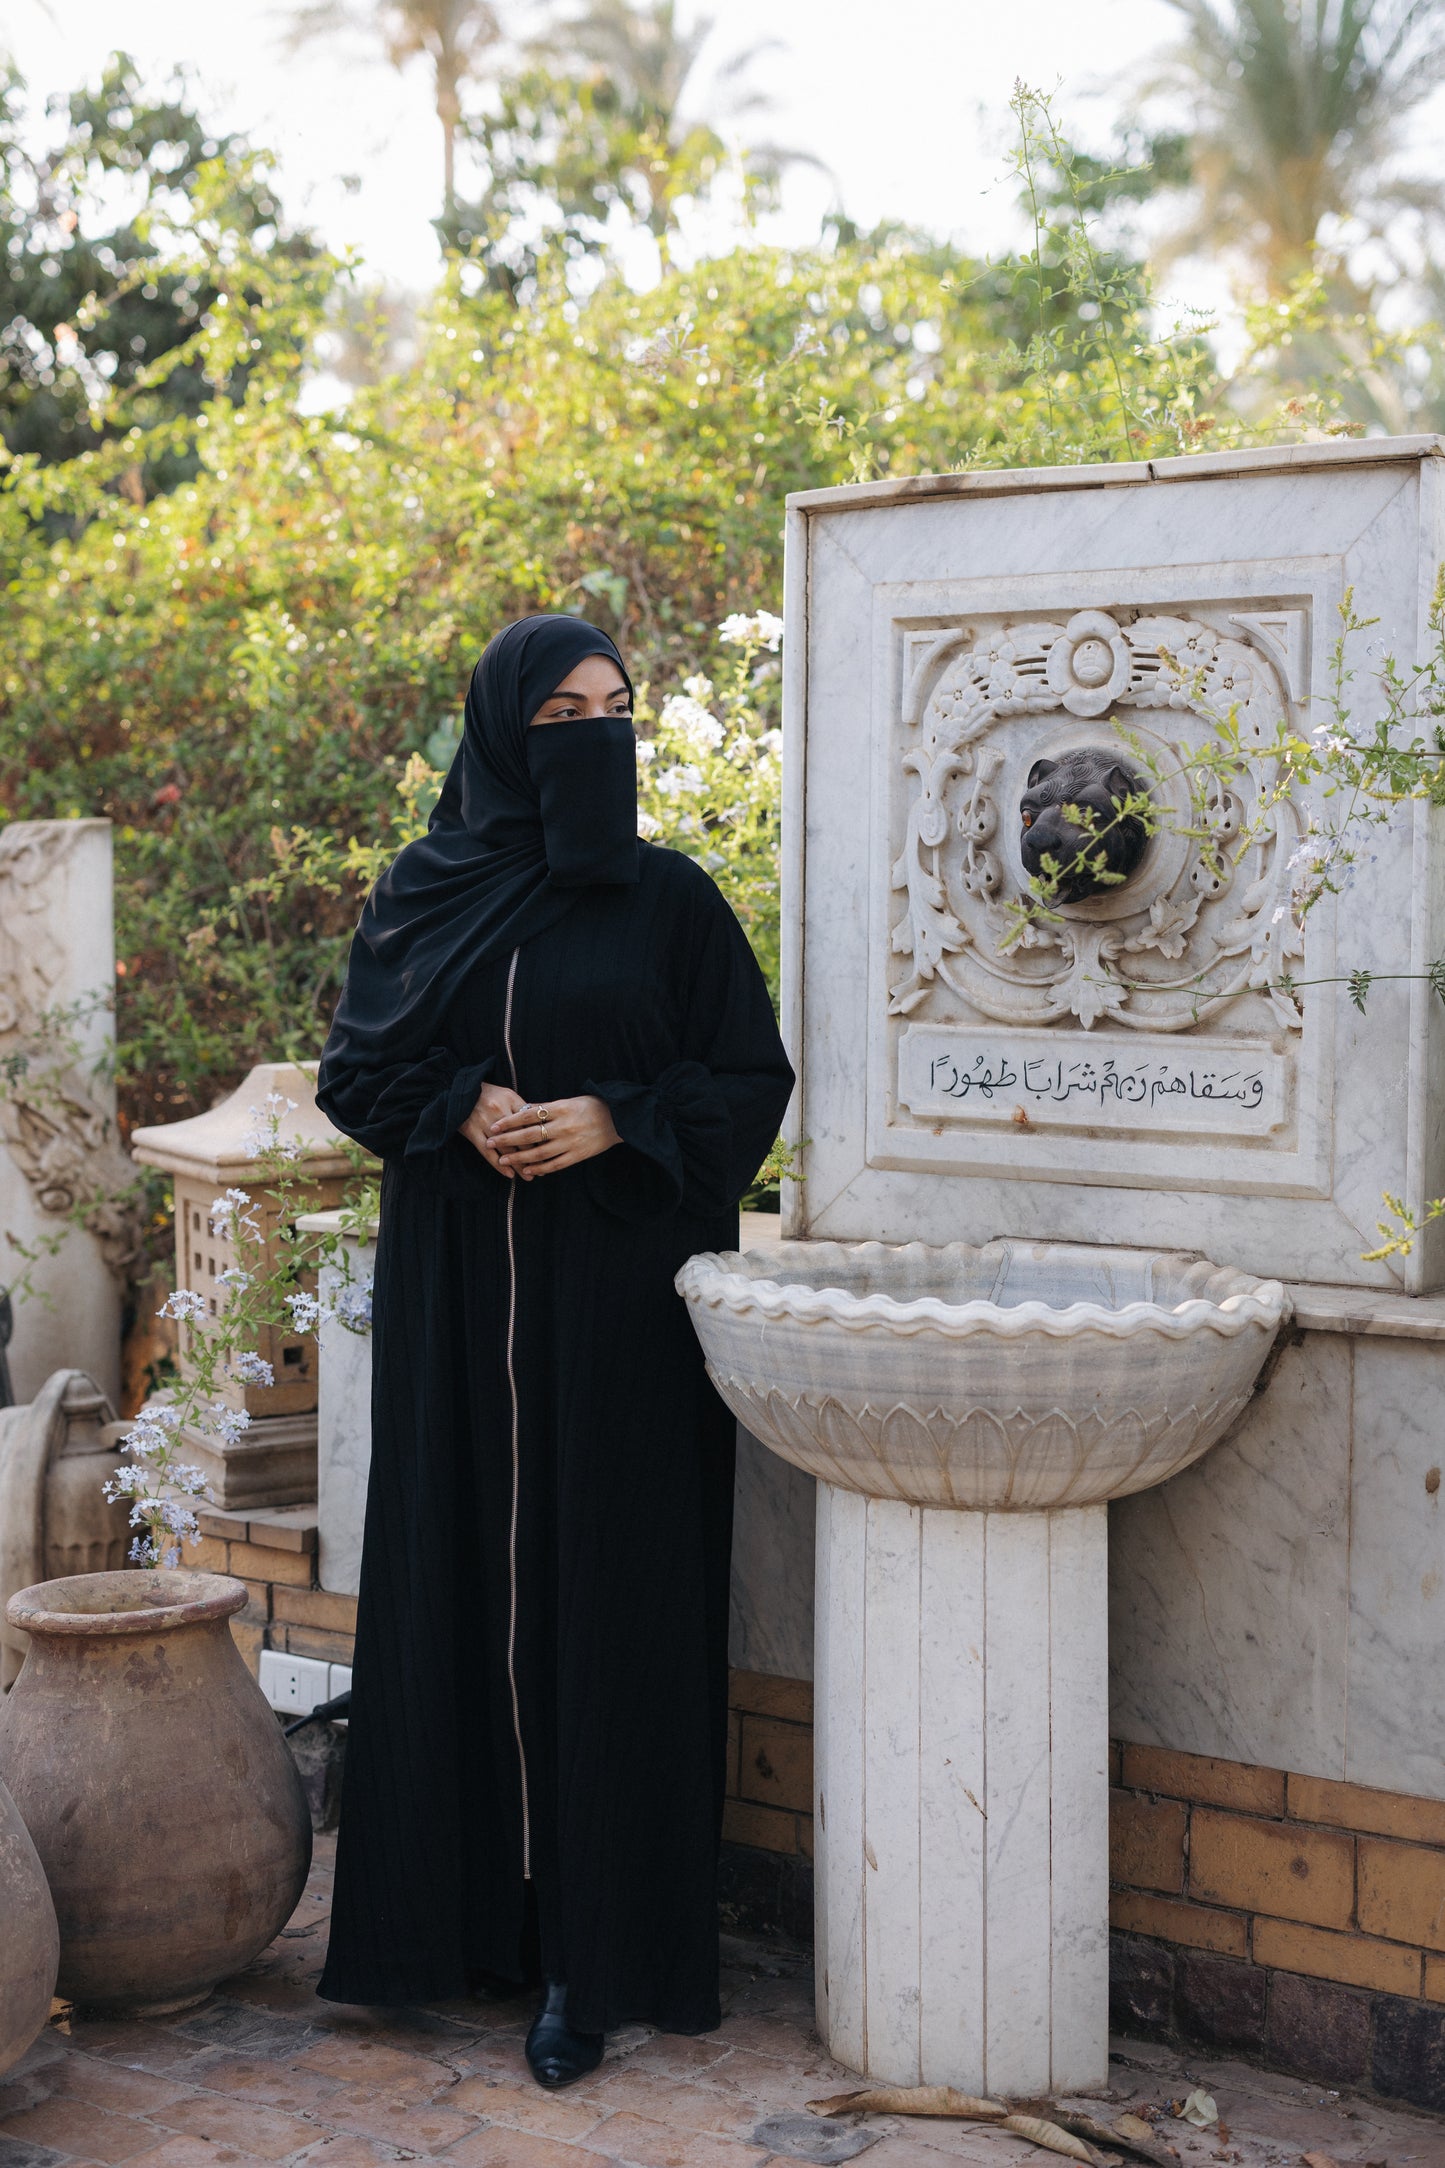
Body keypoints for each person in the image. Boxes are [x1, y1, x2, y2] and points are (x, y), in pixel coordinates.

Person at [312, 613, 795, 2089]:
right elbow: (357, 1068)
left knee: (611, 1609)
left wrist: (611, 1120)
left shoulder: (669, 904)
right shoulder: (422, 893)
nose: (596, 734)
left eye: (617, 708)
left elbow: (749, 1081)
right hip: (462, 1312)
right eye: (563, 714)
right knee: (459, 1590)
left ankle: (596, 1959)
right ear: (501, 731)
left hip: (619, 1327)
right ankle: (459, 1927)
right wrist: (462, 1103)